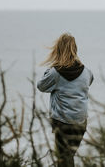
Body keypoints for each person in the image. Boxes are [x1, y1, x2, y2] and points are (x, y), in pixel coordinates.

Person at [37, 32, 94, 167]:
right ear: (75, 49)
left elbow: (41, 86)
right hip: (80, 121)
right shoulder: (87, 71)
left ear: (58, 49)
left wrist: (51, 70)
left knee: (63, 158)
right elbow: (88, 83)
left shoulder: (55, 72)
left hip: (62, 121)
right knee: (69, 155)